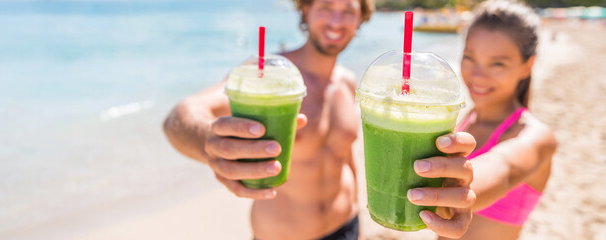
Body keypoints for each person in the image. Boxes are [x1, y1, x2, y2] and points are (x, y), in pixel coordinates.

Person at [163, 0, 477, 239]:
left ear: (361, 18)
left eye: (348, 10)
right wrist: (212, 144)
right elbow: (180, 116)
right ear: (306, 10)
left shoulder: (352, 83)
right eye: (326, 7)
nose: (337, 21)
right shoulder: (272, 78)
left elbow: (347, 159)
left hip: (348, 227)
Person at [442, 1, 558, 239]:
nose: (477, 75)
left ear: (527, 66)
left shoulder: (536, 137)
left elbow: (503, 169)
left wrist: (460, 194)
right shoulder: (467, 119)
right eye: (469, 57)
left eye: (497, 63)